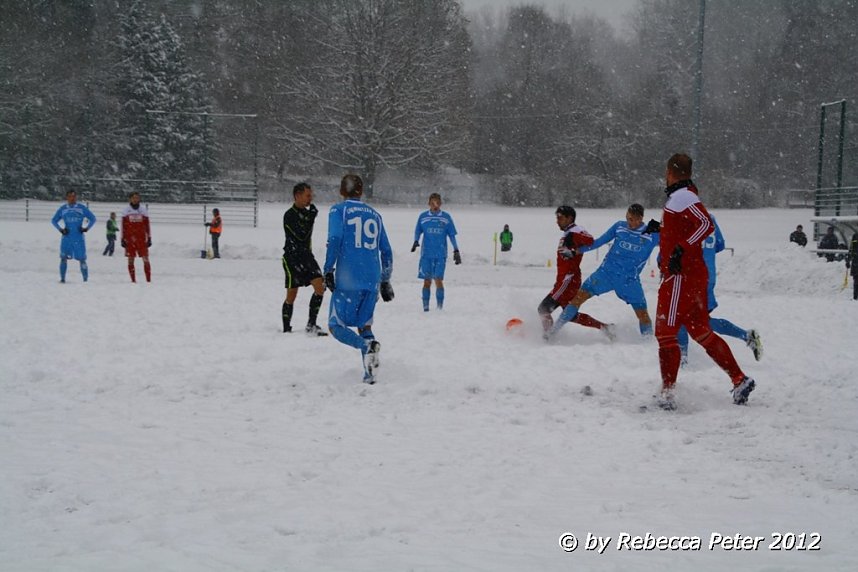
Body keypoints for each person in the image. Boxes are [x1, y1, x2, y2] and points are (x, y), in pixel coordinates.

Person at [655, 153, 755, 410]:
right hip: (694, 277)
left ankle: (667, 395)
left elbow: (704, 225)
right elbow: (688, 227)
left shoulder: (683, 196)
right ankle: (740, 379)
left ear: (670, 171)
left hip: (680, 277)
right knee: (702, 331)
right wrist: (660, 229)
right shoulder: (683, 196)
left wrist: (680, 249)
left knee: (666, 334)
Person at [548, 204, 659, 338]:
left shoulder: (652, 233)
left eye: (635, 220)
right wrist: (576, 251)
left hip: (629, 280)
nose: (632, 223)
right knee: (577, 300)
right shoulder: (619, 226)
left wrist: (662, 253)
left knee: (643, 314)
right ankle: (552, 333)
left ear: (641, 218)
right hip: (605, 274)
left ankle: (647, 343)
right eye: (629, 219)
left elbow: (670, 244)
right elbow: (599, 242)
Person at [324, 174, 394, 384]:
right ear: (361, 191)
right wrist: (385, 280)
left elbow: (335, 238)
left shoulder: (338, 210)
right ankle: (369, 374)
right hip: (371, 278)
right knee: (365, 326)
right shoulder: (375, 214)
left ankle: (365, 347)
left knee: (335, 326)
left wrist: (328, 269)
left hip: (348, 278)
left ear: (341, 191)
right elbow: (387, 251)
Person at [677, 215, 762, 364]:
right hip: (707, 277)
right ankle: (747, 336)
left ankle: (682, 360)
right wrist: (706, 252)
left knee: (682, 320)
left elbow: (671, 250)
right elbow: (721, 244)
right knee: (699, 322)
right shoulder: (710, 219)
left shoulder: (683, 219)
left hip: (693, 279)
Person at [540, 205, 614, 341]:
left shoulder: (575, 231)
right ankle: (605, 327)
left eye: (560, 218)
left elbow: (590, 240)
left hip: (568, 280)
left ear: (570, 218)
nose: (557, 221)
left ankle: (548, 336)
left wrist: (574, 242)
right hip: (566, 279)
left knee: (543, 309)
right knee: (571, 314)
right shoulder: (568, 232)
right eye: (557, 218)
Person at [281, 183, 327, 336]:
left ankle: (311, 324)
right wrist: (312, 218)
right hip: (292, 258)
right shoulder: (289, 215)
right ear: (297, 195)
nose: (310, 199)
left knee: (320, 287)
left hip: (307, 256)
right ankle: (286, 328)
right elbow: (301, 236)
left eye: (311, 195)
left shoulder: (307, 214)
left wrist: (310, 216)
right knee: (292, 295)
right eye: (308, 195)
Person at [411, 192, 461, 311]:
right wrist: (415, 241)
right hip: (426, 254)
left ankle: (439, 308)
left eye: (437, 203)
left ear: (441, 203)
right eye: (433, 203)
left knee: (438, 279)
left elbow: (452, 235)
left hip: (440, 254)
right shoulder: (423, 217)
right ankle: (426, 308)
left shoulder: (446, 217)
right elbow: (418, 231)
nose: (435, 205)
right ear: (429, 203)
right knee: (427, 281)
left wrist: (456, 250)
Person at [51, 189, 96, 283]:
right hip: (67, 238)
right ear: (67, 197)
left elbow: (93, 218)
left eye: (74, 196)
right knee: (63, 258)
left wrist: (86, 228)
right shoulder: (63, 209)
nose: (72, 198)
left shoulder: (81, 208)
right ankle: (62, 279)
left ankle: (85, 280)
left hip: (79, 238)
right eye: (70, 196)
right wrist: (61, 230)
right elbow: (54, 220)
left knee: (82, 259)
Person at [121, 191, 152, 283]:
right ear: (130, 199)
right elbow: (123, 226)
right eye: (133, 198)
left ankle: (148, 280)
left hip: (141, 238)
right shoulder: (126, 211)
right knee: (130, 260)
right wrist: (123, 239)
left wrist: (149, 237)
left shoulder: (143, 211)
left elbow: (147, 225)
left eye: (137, 198)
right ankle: (133, 280)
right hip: (130, 239)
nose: (135, 199)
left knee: (145, 258)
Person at [847, 233, 858, 301]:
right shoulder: (855, 236)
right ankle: (855, 296)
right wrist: (848, 260)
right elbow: (851, 248)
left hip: (855, 261)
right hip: (856, 261)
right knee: (856, 280)